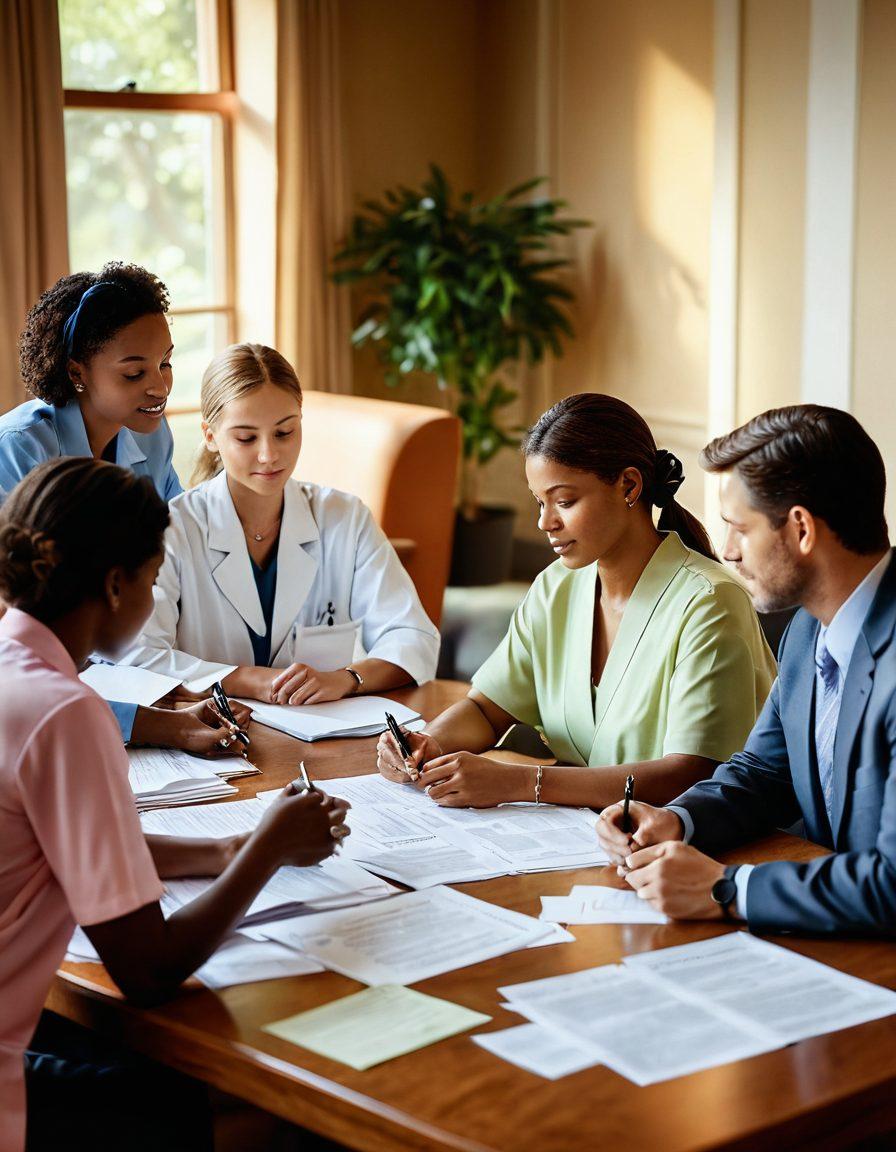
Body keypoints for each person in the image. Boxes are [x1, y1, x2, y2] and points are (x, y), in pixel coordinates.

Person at [0, 457, 349, 1152]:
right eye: (155, 580)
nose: (154, 599)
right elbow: (149, 971)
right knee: (188, 1110)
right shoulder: (67, 714)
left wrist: (232, 848)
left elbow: (70, 849)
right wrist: (266, 852)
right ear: (115, 583)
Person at [377, 393, 776, 808]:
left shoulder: (709, 603)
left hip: (682, 847)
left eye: (564, 502)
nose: (545, 523)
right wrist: (426, 744)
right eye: (540, 502)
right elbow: (485, 709)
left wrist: (522, 783)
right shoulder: (557, 588)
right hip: (580, 837)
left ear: (629, 485)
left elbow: (692, 775)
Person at [597, 404, 896, 936]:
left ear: (801, 529)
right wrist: (679, 820)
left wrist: (726, 888)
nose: (728, 552)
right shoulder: (810, 627)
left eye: (739, 529)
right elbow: (763, 773)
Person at [0, 263, 247, 756]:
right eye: (135, 372)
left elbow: (171, 554)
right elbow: (16, 653)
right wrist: (158, 722)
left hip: (106, 674)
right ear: (77, 372)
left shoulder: (150, 439)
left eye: (167, 363)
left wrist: (171, 688)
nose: (159, 386)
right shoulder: (18, 452)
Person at [122, 342, 439, 702]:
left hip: (318, 736)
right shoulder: (171, 529)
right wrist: (247, 680)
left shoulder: (345, 518)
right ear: (210, 436)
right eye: (246, 437)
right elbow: (138, 657)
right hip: (210, 741)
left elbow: (414, 638)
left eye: (284, 433)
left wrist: (346, 678)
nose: (269, 455)